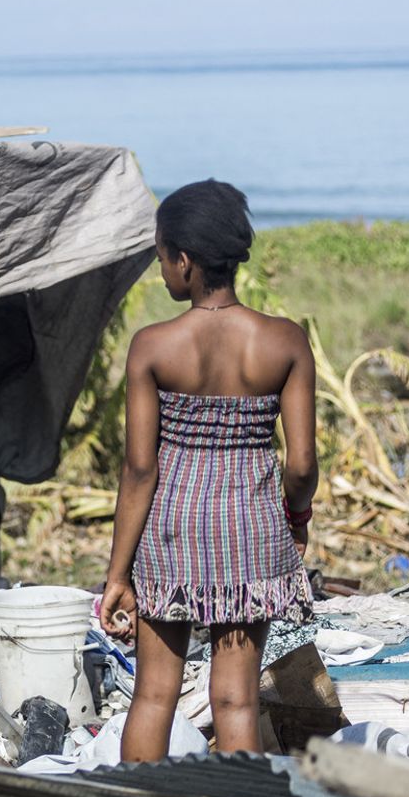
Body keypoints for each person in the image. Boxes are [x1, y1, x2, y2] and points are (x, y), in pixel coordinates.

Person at [101, 179, 318, 759]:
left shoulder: (153, 346)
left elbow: (139, 471)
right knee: (237, 702)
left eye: (161, 257)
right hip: (250, 530)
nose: (162, 270)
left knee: (153, 696)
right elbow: (301, 464)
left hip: (172, 532)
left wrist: (117, 575)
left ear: (185, 260)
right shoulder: (285, 342)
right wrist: (296, 517)